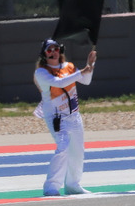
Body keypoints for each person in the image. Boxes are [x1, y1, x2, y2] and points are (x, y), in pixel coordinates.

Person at [33, 39, 97, 196]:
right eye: (49, 50)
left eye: (55, 49)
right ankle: (51, 187)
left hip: (74, 116)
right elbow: (59, 83)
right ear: (44, 54)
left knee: (77, 151)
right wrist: (81, 72)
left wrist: (90, 65)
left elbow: (86, 81)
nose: (53, 52)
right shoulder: (41, 72)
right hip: (57, 118)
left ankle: (73, 185)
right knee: (63, 147)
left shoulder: (69, 67)